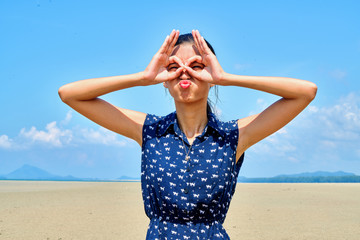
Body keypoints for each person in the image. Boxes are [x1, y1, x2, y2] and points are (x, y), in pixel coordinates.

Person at [58, 29, 317, 239]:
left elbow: (305, 92)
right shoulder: (149, 131)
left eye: (196, 65)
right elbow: (69, 94)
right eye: (174, 66)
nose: (185, 72)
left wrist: (225, 77)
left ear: (210, 73)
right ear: (165, 76)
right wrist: (144, 76)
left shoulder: (233, 136)